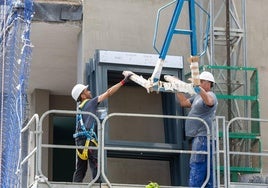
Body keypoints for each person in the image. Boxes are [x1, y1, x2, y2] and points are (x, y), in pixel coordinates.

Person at [71, 72, 132, 183]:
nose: (89, 92)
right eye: (86, 91)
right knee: (95, 165)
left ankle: (75, 186)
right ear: (83, 96)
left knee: (80, 169)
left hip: (79, 141)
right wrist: (122, 82)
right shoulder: (90, 102)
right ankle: (97, 185)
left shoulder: (80, 108)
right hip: (88, 141)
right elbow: (108, 93)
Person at [176, 71, 218, 187]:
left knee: (197, 164)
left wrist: (198, 88)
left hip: (204, 137)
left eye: (200, 81)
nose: (198, 83)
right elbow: (184, 103)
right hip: (200, 137)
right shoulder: (197, 97)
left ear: (208, 83)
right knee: (206, 168)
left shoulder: (211, 95)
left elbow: (209, 102)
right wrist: (177, 89)